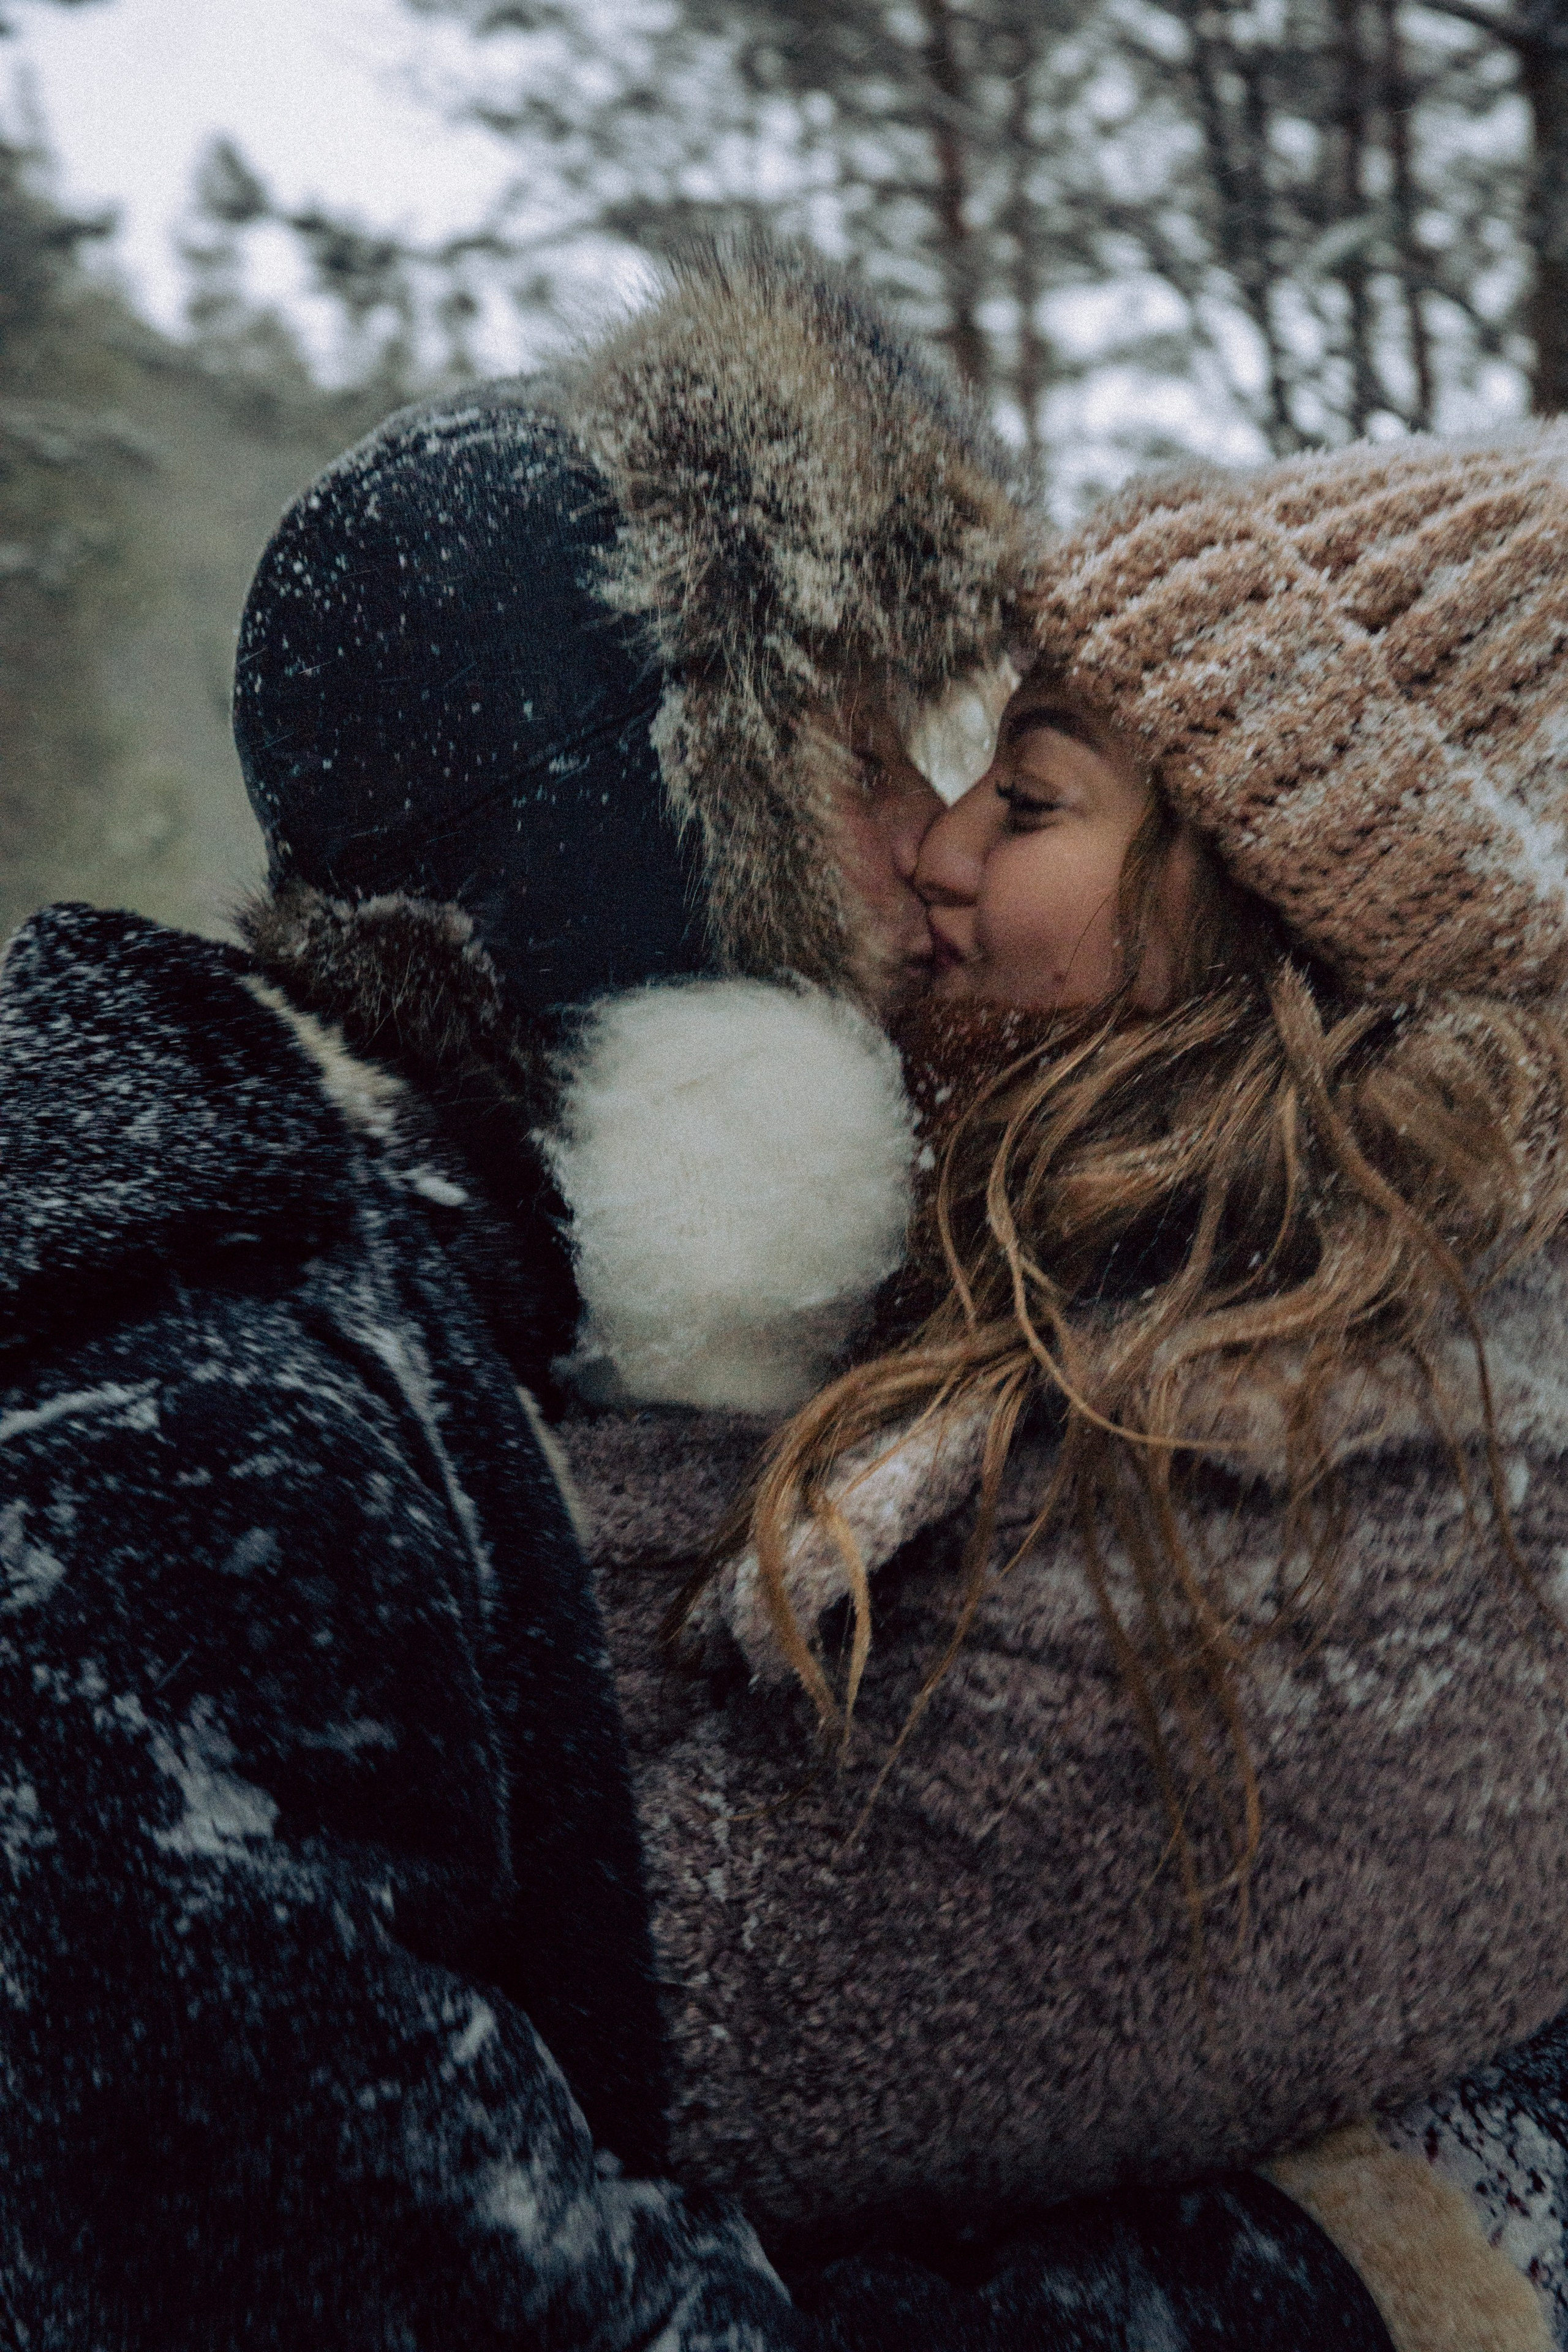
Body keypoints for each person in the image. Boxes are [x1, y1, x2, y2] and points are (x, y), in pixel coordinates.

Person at [0, 242, 1397, 2350]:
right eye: (857, 770)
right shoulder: (189, 1430)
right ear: (641, 837)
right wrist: (1319, 2287)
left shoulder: (423, 1318)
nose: (937, 860)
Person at [682, 425, 1568, 2347]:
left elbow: (727, 2003)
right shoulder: (1113, 1289)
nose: (935, 845)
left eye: (1033, 795)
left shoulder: (1339, 1465)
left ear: (1276, 907)